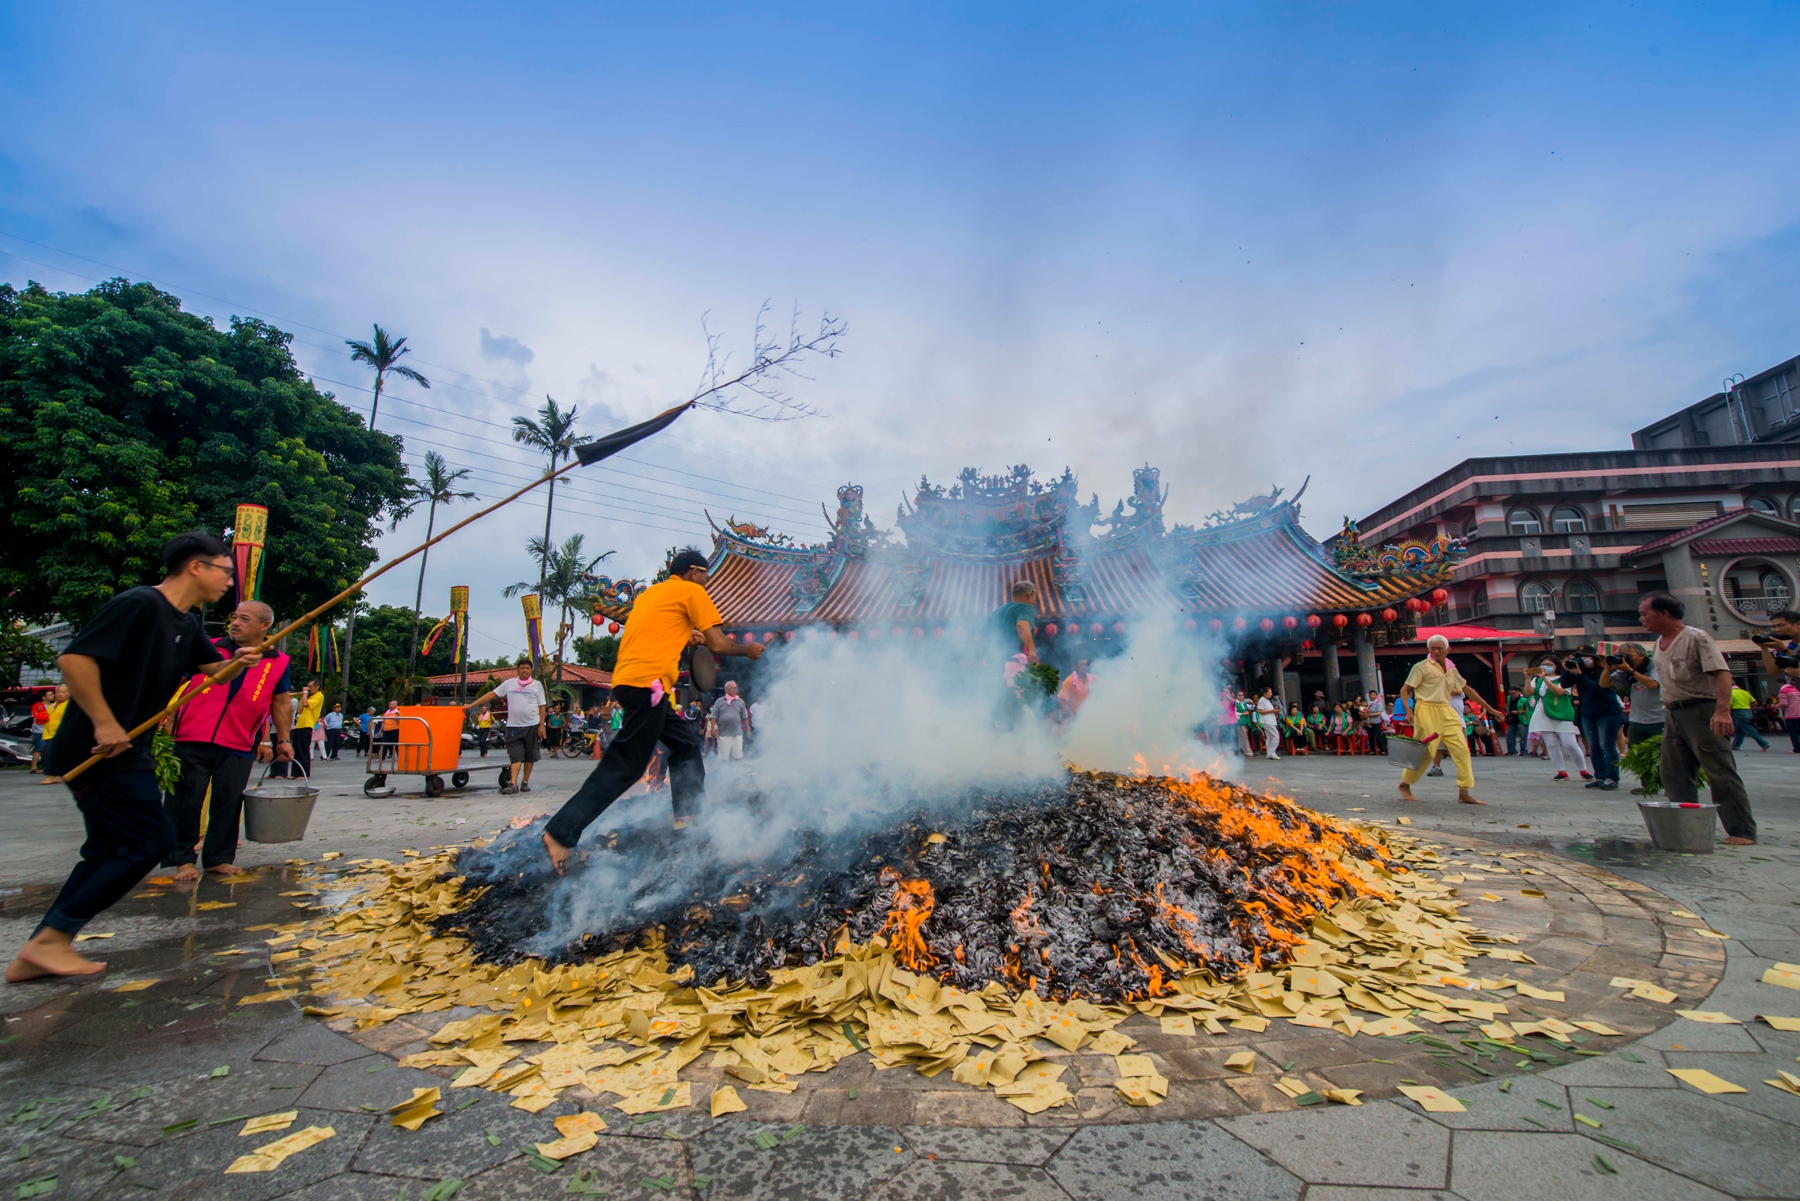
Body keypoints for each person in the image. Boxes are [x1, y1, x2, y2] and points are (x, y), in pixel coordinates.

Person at [9, 531, 263, 983]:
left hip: (129, 748)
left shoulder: (187, 624)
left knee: (106, 848)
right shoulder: (141, 604)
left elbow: (215, 675)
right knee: (148, 841)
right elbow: (76, 661)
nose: (230, 583)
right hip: (99, 747)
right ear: (195, 567)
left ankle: (46, 944)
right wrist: (106, 722)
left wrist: (241, 662)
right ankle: (49, 941)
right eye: (226, 572)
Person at [540, 548, 765, 872]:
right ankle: (561, 831)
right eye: (705, 575)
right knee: (627, 764)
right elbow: (717, 644)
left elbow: (656, 632)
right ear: (693, 572)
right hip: (649, 686)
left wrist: (686, 637)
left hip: (632, 682)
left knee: (686, 745)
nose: (707, 581)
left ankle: (689, 818)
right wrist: (747, 649)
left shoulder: (650, 596)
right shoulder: (691, 591)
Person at [161, 600, 294, 881]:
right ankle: (182, 860)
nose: (235, 623)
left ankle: (218, 858)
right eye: (235, 617)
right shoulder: (208, 647)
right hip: (192, 735)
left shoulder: (278, 661)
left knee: (228, 802)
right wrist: (163, 714)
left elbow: (280, 703)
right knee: (185, 800)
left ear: (264, 626)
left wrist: (282, 739)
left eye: (244, 619)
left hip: (239, 741)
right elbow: (174, 681)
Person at [1640, 592, 1755, 845]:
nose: (1641, 619)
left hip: (1701, 710)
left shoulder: (1695, 638)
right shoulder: (1659, 642)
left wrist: (1723, 711)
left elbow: (1723, 674)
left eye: (1645, 613)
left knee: (1720, 772)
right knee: (1674, 774)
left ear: (1665, 613)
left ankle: (1741, 831)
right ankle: (1686, 827)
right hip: (1672, 712)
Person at [1396, 634, 1490, 805]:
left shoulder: (1451, 669)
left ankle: (1464, 792)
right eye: (1433, 648)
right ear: (1428, 650)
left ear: (1448, 649)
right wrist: (1408, 710)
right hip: (1426, 710)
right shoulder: (1421, 667)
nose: (1436, 651)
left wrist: (1491, 710)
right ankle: (1405, 784)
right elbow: (1405, 690)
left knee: (1462, 750)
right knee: (1426, 751)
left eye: (1440, 648)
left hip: (1446, 711)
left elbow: (1467, 690)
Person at [463, 660, 546, 794]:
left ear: (531, 671)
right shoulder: (509, 684)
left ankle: (525, 781)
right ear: (517, 670)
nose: (524, 670)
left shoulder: (537, 685)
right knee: (515, 755)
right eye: (522, 668)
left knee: (530, 756)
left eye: (527, 668)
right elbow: (491, 694)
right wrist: (472, 705)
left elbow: (542, 706)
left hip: (532, 726)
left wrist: (541, 725)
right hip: (513, 726)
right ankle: (513, 783)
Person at [1563, 650, 1625, 789]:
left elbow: (1598, 688)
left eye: (1587, 657)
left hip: (1607, 712)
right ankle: (1600, 776)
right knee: (1595, 747)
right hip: (1588, 713)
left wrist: (1580, 675)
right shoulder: (1578, 671)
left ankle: (1612, 778)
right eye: (1580, 658)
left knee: (1607, 746)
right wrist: (1568, 670)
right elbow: (1564, 684)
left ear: (1595, 658)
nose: (1584, 660)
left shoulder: (1604, 671)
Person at [1525, 657, 1588, 780]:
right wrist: (1528, 679)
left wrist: (1546, 680)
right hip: (1543, 712)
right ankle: (1561, 771)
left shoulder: (1564, 678)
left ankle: (1583, 769)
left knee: (1570, 743)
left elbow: (1559, 692)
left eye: (1549, 664)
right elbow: (1529, 693)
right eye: (1543, 664)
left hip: (1562, 712)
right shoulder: (1537, 680)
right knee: (1552, 744)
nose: (1545, 666)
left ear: (1556, 666)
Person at [990, 581, 1039, 730]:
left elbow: (979, 638)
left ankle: (1004, 742)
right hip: (1011, 667)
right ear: (1030, 594)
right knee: (1026, 704)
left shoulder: (998, 611)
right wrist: (1032, 651)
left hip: (994, 666)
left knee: (1003, 709)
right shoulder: (1026, 608)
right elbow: (1022, 625)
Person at [276, 680, 323, 778]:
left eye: (310, 686)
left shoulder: (319, 696)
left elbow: (306, 704)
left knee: (303, 750)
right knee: (296, 749)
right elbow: (300, 709)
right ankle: (295, 773)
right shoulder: (309, 697)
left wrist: (305, 693)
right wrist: (303, 695)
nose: (308, 688)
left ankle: (304, 773)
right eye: (308, 686)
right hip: (300, 724)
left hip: (307, 724)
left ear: (317, 687)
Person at [34, 686, 70, 785]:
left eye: (64, 692)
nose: (61, 694)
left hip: (60, 734)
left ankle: (51, 776)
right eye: (59, 692)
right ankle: (56, 776)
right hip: (48, 734)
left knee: (49, 754)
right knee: (51, 754)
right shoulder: (52, 706)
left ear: (69, 694)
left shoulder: (69, 706)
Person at [711, 681, 749, 760]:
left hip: (737, 733)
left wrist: (748, 730)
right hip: (723, 733)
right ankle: (723, 772)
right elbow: (714, 716)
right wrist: (712, 729)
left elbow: (745, 717)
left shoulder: (740, 702)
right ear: (726, 689)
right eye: (732, 688)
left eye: (735, 688)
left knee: (738, 756)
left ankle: (737, 771)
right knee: (723, 757)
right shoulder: (719, 701)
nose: (734, 690)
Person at [1728, 683, 1771, 751]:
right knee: (1739, 729)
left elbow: (1729, 705)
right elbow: (1755, 703)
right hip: (1748, 711)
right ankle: (1736, 745)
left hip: (1738, 712)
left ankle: (1764, 744)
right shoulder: (1745, 692)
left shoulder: (1731, 693)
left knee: (1749, 729)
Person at [1506, 688, 1533, 756]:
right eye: (1510, 693)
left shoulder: (1523, 700)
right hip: (1512, 720)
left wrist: (1518, 712)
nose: (1512, 695)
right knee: (1509, 734)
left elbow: (1528, 710)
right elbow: (1506, 706)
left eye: (1513, 693)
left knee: (1523, 736)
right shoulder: (1508, 698)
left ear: (1518, 692)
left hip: (1522, 719)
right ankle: (1511, 750)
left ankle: (1523, 750)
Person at [1255, 688, 1280, 760]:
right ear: (1265, 693)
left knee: (1270, 737)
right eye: (1270, 692)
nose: (1271, 693)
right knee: (1275, 736)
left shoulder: (1267, 700)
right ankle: (1272, 752)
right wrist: (1271, 711)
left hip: (1270, 720)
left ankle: (1269, 753)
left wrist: (1273, 711)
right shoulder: (1262, 700)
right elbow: (1260, 711)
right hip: (1267, 721)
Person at [28, 692, 50, 775]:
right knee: (39, 749)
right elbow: (39, 718)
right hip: (40, 731)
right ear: (43, 697)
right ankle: (33, 767)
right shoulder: (38, 706)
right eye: (50, 695)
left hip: (49, 731)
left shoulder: (53, 705)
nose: (53, 696)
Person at [1778, 678, 1800, 753]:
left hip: (1791, 715)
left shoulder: (1783, 691)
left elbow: (1784, 703)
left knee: (1793, 733)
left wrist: (1775, 706)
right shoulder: (1796, 690)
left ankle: (1797, 749)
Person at [1363, 690, 1388, 754]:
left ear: (1376, 696)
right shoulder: (1367, 703)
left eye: (1374, 695)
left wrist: (1370, 714)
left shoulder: (1378, 703)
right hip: (1368, 721)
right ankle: (1372, 750)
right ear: (1369, 696)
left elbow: (1379, 713)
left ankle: (1382, 750)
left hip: (1376, 721)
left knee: (1378, 736)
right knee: (1370, 736)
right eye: (1371, 695)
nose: (1373, 696)